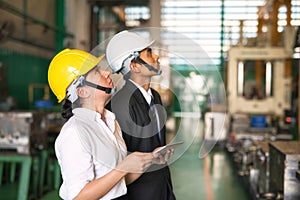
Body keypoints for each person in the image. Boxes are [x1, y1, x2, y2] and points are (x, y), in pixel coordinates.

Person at [47, 48, 160, 200]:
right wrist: (122, 168)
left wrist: (149, 160)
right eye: (96, 72)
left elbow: (117, 185)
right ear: (82, 91)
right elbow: (78, 197)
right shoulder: (75, 132)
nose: (106, 73)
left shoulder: (110, 121)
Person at [106, 30, 176, 200]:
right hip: (140, 192)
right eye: (149, 53)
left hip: (162, 186)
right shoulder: (119, 104)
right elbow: (121, 159)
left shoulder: (156, 96)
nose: (157, 57)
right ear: (134, 65)